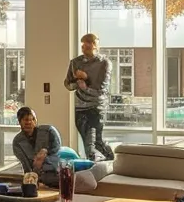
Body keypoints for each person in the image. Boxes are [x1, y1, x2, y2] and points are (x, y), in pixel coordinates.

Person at [63, 33, 115, 161]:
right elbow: (68, 84)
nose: (85, 47)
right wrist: (77, 83)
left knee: (92, 144)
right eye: (83, 44)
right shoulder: (75, 62)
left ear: (96, 46)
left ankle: (105, 164)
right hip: (80, 108)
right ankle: (110, 162)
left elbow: (102, 90)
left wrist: (86, 81)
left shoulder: (104, 63)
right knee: (92, 142)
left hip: (96, 107)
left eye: (89, 44)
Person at [10, 107, 64, 188]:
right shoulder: (17, 142)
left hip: (54, 172)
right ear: (20, 122)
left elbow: (56, 148)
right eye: (26, 120)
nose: (29, 122)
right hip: (36, 176)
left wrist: (45, 152)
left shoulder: (49, 131)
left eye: (32, 119)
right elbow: (25, 164)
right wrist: (32, 180)